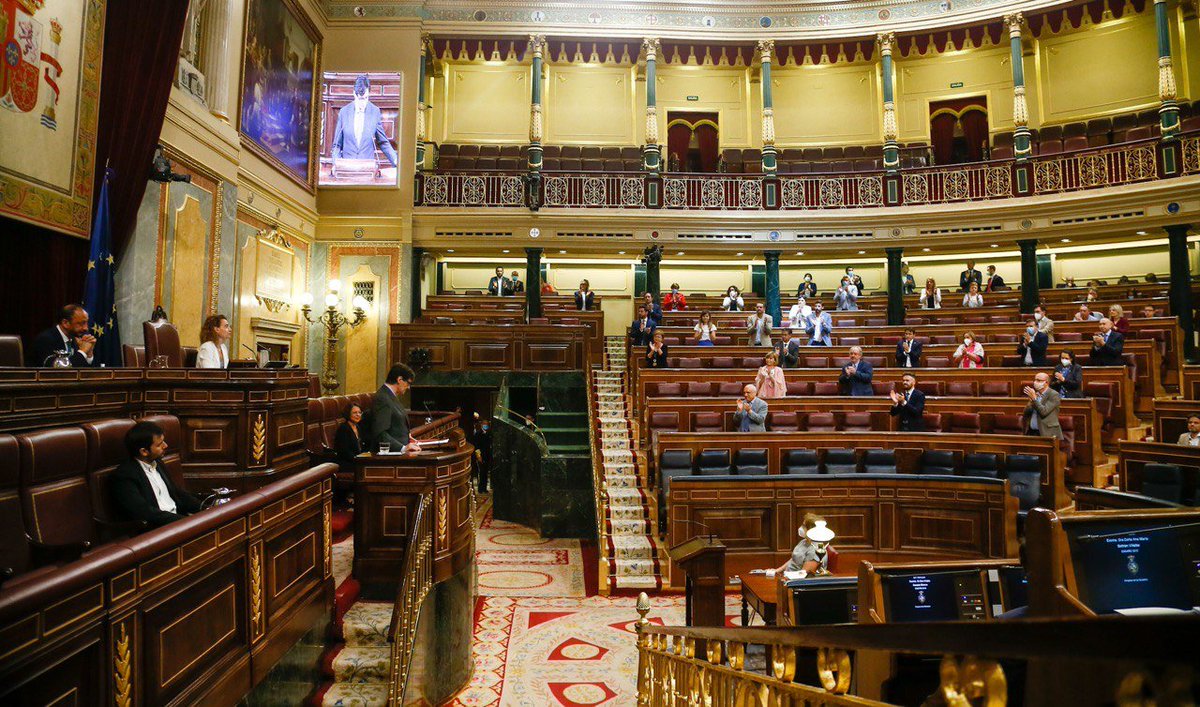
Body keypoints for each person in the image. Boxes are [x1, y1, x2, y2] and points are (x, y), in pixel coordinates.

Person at [111, 420, 202, 528]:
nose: (166, 445)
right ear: (144, 451)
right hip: (156, 530)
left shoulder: (158, 463)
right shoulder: (125, 475)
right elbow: (146, 512)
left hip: (178, 521)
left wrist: (205, 508)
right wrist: (186, 521)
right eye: (159, 444)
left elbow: (177, 493)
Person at [330, 75, 399, 172]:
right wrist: (337, 164)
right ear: (354, 94)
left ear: (369, 94)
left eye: (365, 98)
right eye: (360, 99)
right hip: (347, 169)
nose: (362, 103)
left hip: (367, 169)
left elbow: (383, 142)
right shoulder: (344, 112)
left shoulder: (374, 112)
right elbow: (336, 146)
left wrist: (396, 160)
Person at [30, 304, 98, 367]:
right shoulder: (45, 339)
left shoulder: (75, 339)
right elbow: (61, 370)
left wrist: (89, 354)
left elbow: (85, 371)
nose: (86, 328)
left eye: (86, 323)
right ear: (65, 323)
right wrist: (83, 351)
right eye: (81, 324)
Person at [372, 363, 420, 453]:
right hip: (391, 457)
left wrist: (407, 438)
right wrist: (402, 448)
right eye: (408, 383)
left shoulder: (390, 396)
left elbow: (396, 425)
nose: (409, 387)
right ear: (399, 379)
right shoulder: (382, 398)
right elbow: (380, 433)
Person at [1022, 372, 1062, 439]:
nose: (1035, 382)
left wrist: (1034, 399)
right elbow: (1026, 412)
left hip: (1047, 433)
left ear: (1046, 382)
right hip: (1032, 432)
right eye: (1035, 380)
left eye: (1038, 380)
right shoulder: (1036, 394)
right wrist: (1030, 402)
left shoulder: (1053, 395)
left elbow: (1044, 412)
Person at [334, 403, 365, 473]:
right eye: (355, 413)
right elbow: (344, 452)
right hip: (347, 463)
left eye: (360, 412)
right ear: (348, 414)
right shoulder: (343, 429)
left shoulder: (357, 427)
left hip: (358, 461)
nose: (358, 415)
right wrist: (358, 460)